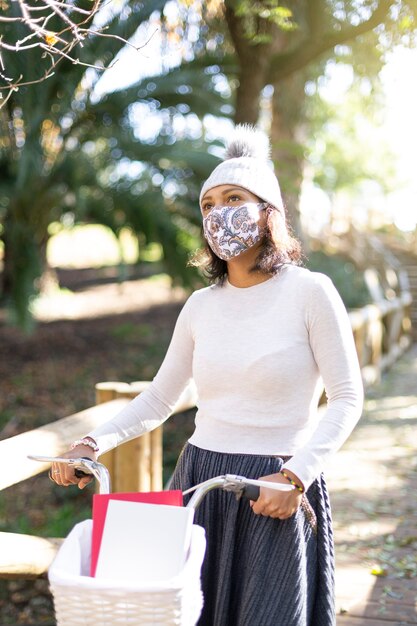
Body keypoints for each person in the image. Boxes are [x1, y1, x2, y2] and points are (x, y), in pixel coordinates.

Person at [51, 124, 364, 626]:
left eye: (234, 197)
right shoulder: (200, 306)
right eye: (209, 204)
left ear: (268, 212)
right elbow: (157, 398)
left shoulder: (311, 292)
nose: (219, 213)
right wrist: (90, 442)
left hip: (276, 487)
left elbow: (348, 398)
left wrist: (296, 476)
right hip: (200, 481)